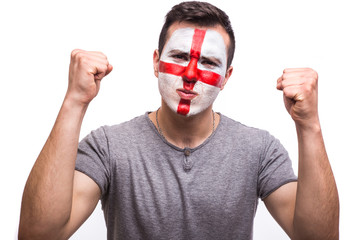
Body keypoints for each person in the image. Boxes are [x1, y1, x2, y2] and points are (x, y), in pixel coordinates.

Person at [18, 1, 339, 239]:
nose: (189, 77)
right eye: (180, 57)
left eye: (209, 62)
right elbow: (38, 234)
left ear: (226, 77)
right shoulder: (108, 147)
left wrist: (308, 125)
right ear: (156, 62)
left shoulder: (259, 149)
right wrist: (74, 101)